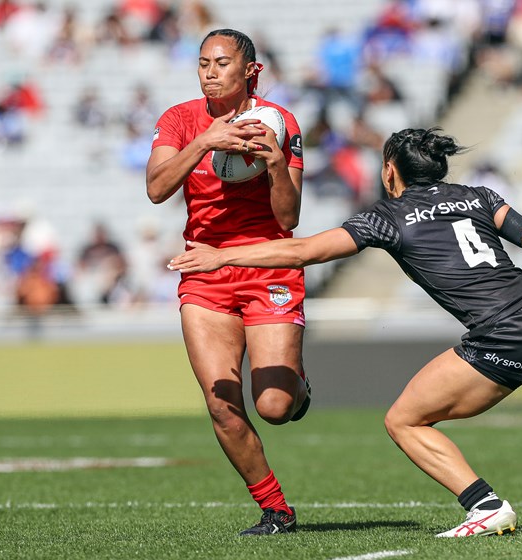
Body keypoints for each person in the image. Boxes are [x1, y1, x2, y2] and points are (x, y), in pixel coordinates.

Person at [168, 127, 522, 537]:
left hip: (502, 331)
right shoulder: (478, 196)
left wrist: (220, 258)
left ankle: (484, 506)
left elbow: (302, 249)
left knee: (404, 420)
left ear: (391, 170)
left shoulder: (385, 216)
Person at [146, 28, 310, 536]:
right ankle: (275, 510)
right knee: (220, 402)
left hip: (269, 266)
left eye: (221, 63)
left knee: (275, 407)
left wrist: (277, 166)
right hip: (204, 271)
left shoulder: (278, 122)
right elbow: (155, 189)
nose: (210, 72)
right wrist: (203, 141)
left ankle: (299, 391)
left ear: (250, 71)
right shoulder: (179, 120)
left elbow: (289, 219)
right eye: (203, 63)